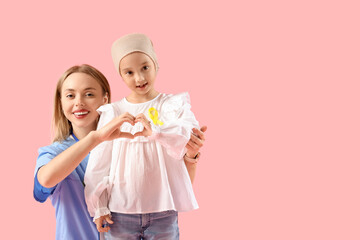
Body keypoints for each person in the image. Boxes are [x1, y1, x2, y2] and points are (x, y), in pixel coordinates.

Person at [33, 64, 206, 240]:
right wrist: (95, 138)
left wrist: (191, 155)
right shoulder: (54, 153)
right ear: (60, 102)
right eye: (70, 95)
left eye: (89, 94)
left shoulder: (129, 142)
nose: (79, 102)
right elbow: (45, 181)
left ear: (105, 100)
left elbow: (174, 187)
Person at [84, 33, 203, 240]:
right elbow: (99, 162)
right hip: (119, 213)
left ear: (156, 64)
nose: (139, 78)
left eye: (145, 67)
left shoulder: (172, 105)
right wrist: (99, 206)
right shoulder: (114, 111)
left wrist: (156, 133)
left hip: (163, 212)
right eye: (129, 72)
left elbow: (185, 134)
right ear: (120, 75)